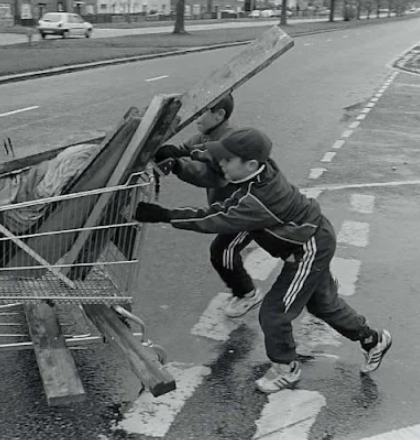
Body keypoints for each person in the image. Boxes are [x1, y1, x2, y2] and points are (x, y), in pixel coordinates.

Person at [136, 127, 392, 393]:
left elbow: (213, 218)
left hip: (309, 248)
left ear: (250, 164)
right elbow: (213, 154)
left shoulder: (260, 200)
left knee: (275, 311)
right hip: (312, 236)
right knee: (323, 305)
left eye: (227, 160)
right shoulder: (258, 167)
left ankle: (286, 367)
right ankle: (373, 340)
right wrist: (181, 153)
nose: (221, 164)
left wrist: (164, 214)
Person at [154, 94, 265, 318]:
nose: (196, 116)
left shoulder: (230, 140)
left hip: (250, 207)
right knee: (229, 249)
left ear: (219, 114)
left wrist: (178, 166)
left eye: (202, 110)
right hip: (231, 208)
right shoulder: (205, 136)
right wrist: (168, 152)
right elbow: (186, 149)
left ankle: (248, 294)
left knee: (223, 250)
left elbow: (214, 177)